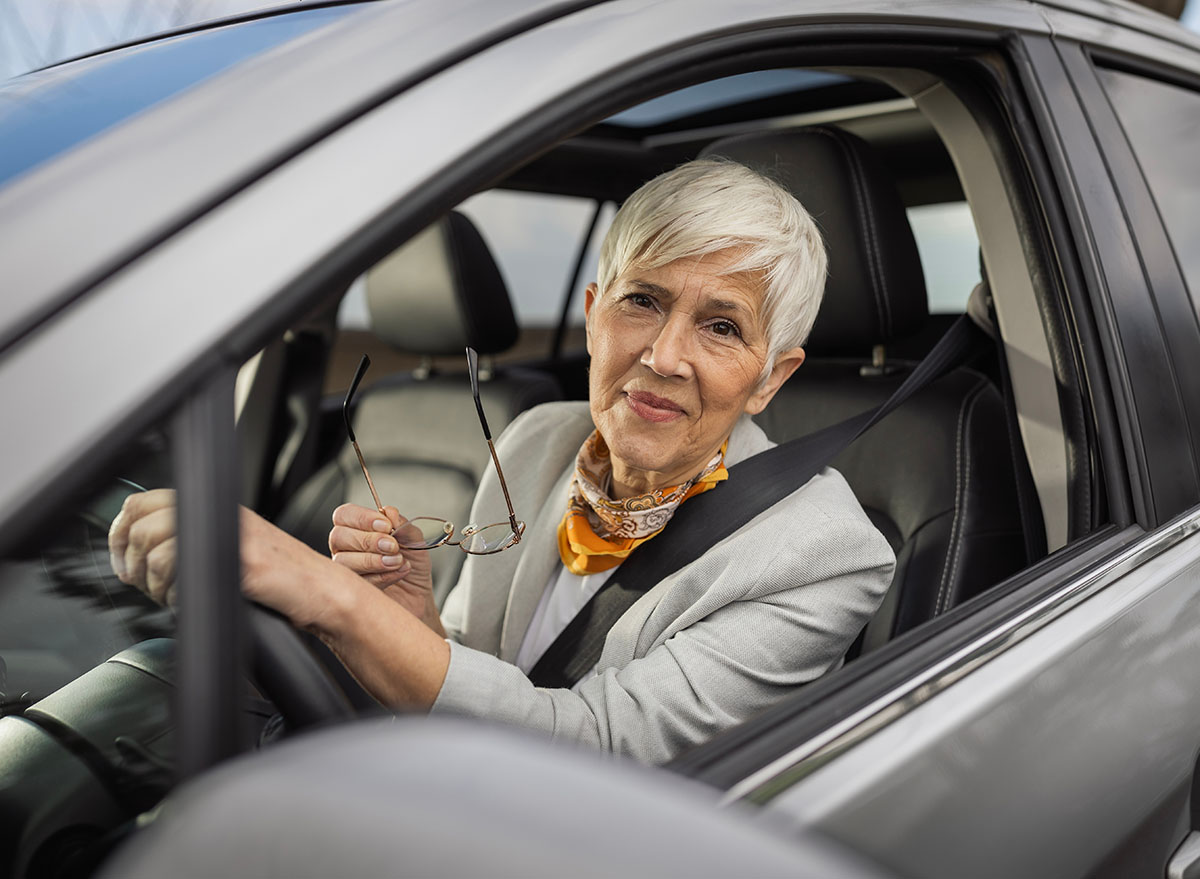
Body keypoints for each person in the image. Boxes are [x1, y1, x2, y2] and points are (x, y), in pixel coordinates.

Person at [109, 159, 895, 763]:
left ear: (770, 377)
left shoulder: (823, 554)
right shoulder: (535, 441)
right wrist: (408, 618)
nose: (663, 355)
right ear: (593, 318)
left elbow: (600, 750)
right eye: (643, 301)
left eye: (722, 327)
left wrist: (329, 598)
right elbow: (478, 673)